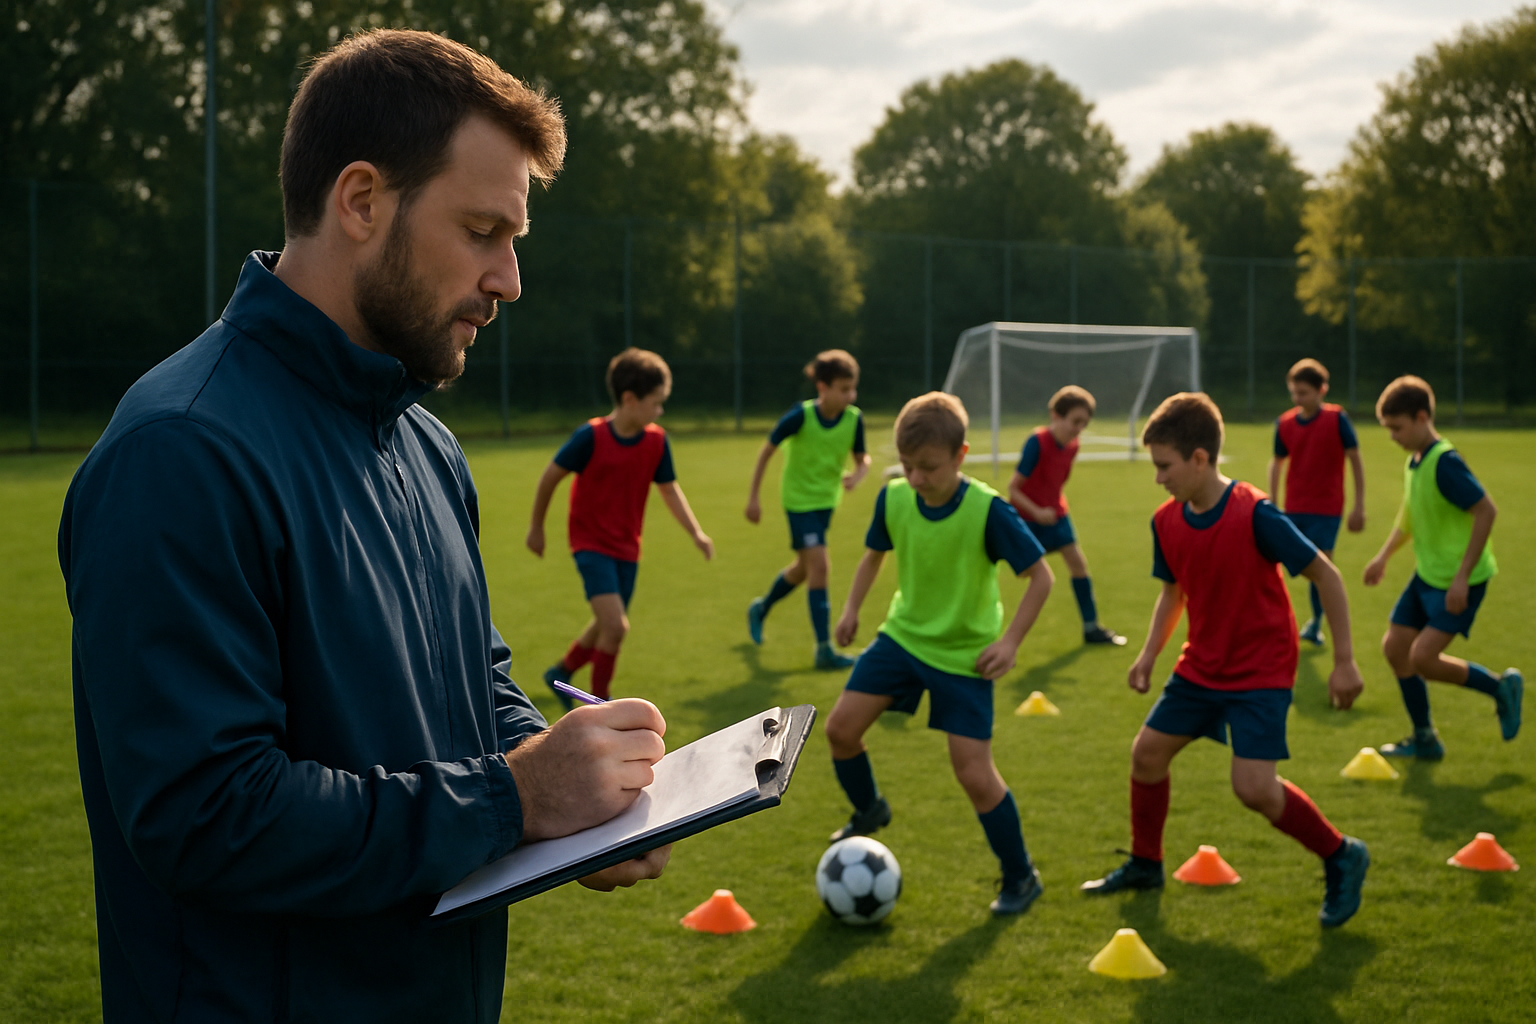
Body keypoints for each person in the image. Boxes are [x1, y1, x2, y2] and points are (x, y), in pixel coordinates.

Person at [59, 30, 671, 1024]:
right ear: (360, 200)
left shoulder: (424, 446)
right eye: (482, 231)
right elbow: (207, 815)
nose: (510, 279)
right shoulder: (180, 451)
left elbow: (470, 679)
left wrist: (574, 785)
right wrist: (514, 799)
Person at [1082, 392, 1370, 929]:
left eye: (1164, 466)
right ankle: (1146, 864)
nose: (1158, 478)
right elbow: (1173, 593)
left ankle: (1341, 854)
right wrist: (1148, 656)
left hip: (1261, 669)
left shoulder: (1255, 513)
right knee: (1146, 755)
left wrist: (1345, 660)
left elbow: (1326, 576)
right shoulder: (1165, 522)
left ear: (1199, 458)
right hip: (1201, 666)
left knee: (1254, 789)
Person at [825, 392, 1054, 915]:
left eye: (928, 467)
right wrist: (852, 609)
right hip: (903, 638)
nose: (917, 477)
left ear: (961, 455)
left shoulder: (988, 510)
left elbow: (1042, 577)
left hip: (965, 656)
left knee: (974, 773)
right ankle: (869, 810)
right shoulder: (895, 496)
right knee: (840, 731)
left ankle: (1021, 876)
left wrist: (1010, 642)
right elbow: (873, 556)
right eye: (907, 466)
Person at [528, 348, 714, 706]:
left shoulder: (656, 441)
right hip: (590, 545)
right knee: (616, 626)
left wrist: (696, 533)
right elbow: (550, 477)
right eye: (656, 403)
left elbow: (670, 489)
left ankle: (561, 672)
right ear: (630, 399)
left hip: (628, 548)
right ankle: (600, 704)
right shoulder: (591, 437)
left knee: (605, 625)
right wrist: (536, 528)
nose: (660, 412)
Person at [1363, 375, 1521, 759]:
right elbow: (1410, 517)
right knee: (1395, 648)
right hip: (1428, 576)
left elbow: (1486, 511)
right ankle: (1425, 738)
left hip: (1459, 581)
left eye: (1397, 428)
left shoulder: (1444, 462)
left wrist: (1462, 579)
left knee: (1423, 659)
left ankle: (1499, 687)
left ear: (1421, 418)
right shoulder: (1415, 463)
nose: (1393, 437)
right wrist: (1383, 556)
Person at [744, 349, 872, 668]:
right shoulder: (801, 416)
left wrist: (858, 475)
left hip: (826, 503)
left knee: (804, 569)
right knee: (821, 567)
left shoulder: (854, 419)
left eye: (852, 388)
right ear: (823, 387)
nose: (850, 395)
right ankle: (824, 649)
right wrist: (754, 497)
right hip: (798, 502)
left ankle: (761, 607)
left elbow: (862, 459)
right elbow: (766, 451)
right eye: (844, 389)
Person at [1007, 385, 1125, 646]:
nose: (1079, 428)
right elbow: (1013, 489)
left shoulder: (1073, 446)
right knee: (1028, 574)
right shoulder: (1036, 443)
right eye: (1075, 421)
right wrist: (1037, 511)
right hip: (1027, 519)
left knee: (1078, 564)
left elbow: (1056, 484)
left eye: (1084, 423)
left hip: (1056, 516)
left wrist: (1052, 510)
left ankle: (1091, 628)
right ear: (1055, 416)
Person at [1267, 358, 1366, 646]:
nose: (1299, 398)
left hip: (1326, 510)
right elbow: (1276, 462)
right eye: (1294, 392)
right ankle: (1274, 623)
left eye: (1304, 393)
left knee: (1319, 569)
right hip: (1293, 508)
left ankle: (1316, 623)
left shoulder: (1337, 419)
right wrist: (1273, 500)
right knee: (1274, 566)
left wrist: (1359, 505)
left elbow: (1355, 459)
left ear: (1322, 390)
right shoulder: (1284, 423)